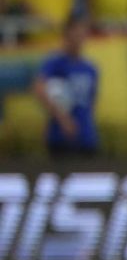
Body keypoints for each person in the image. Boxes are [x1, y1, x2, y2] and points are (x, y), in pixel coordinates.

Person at [33, 16, 99, 158]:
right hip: (60, 136)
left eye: (83, 34)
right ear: (67, 35)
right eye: (76, 33)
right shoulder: (55, 63)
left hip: (86, 137)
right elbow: (39, 89)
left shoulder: (90, 68)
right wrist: (63, 118)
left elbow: (91, 102)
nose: (80, 38)